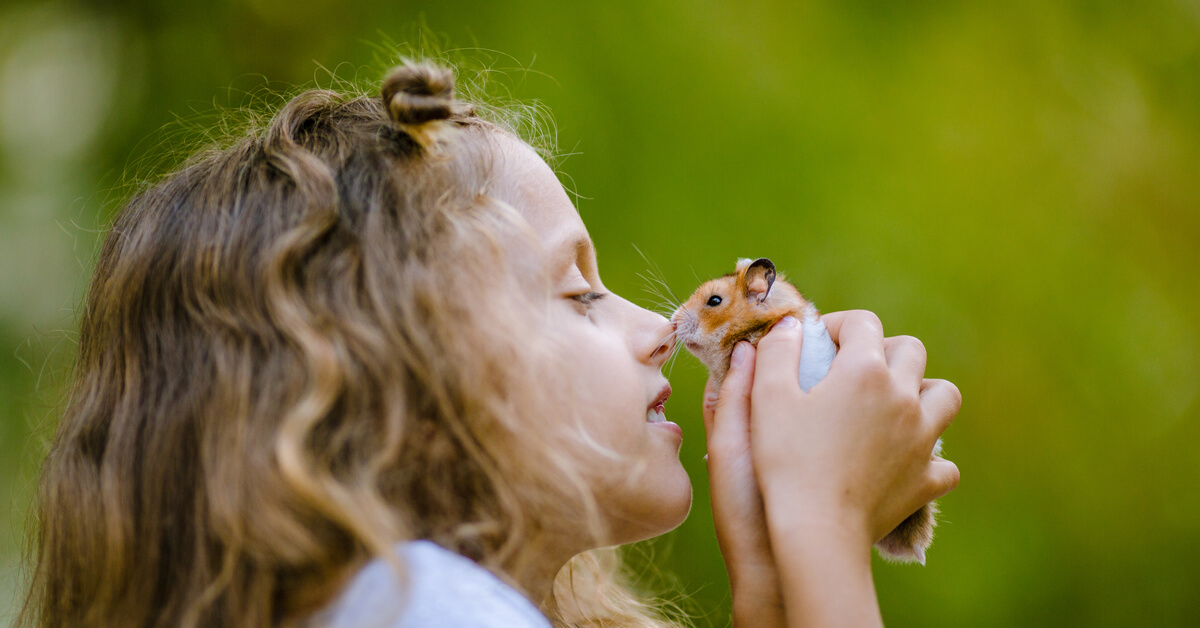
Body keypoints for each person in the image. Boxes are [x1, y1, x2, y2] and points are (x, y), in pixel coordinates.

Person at [17, 59, 960, 628]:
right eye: (578, 292)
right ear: (402, 373)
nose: (653, 333)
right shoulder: (419, 607)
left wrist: (763, 570)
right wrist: (824, 523)